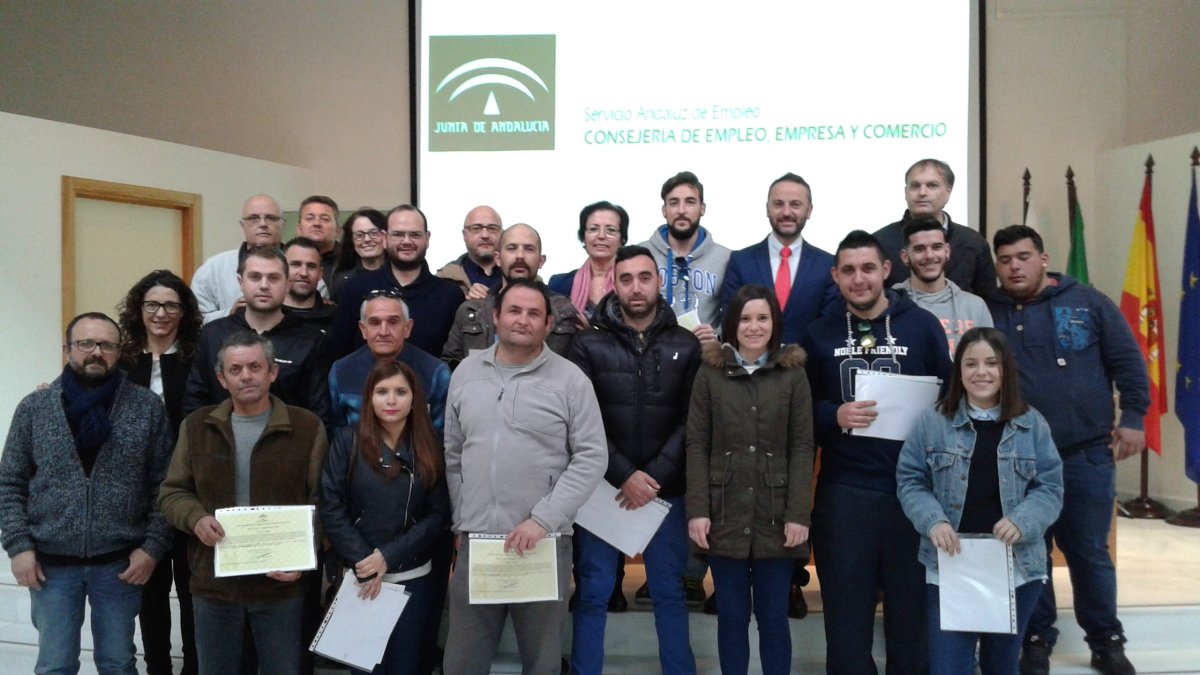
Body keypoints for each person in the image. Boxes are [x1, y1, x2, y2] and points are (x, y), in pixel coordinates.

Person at [986, 225, 1149, 675]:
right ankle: (1036, 640)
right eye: (1005, 260)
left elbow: (1127, 361)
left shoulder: (1088, 303)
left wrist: (1134, 418)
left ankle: (1106, 641)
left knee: (1088, 551)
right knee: (1028, 551)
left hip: (1084, 454)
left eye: (1023, 257)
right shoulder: (987, 310)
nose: (1014, 267)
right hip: (1016, 458)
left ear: (1043, 258)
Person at [801, 230, 952, 674]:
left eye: (868, 268)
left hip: (913, 494)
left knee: (910, 618)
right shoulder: (818, 333)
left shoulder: (922, 326)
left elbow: (950, 400)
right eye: (848, 270)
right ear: (835, 276)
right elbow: (799, 408)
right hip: (845, 493)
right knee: (846, 620)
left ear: (886, 270)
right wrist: (833, 414)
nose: (859, 279)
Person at [442, 279, 607, 675]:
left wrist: (543, 520)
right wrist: (462, 520)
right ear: (495, 316)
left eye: (534, 314)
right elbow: (453, 453)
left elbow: (591, 457)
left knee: (541, 662)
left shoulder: (571, 380)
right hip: (479, 541)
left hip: (542, 542)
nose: (523, 320)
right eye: (514, 311)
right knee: (462, 662)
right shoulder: (466, 373)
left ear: (548, 324)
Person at [0, 312, 174, 675]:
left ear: (119, 351)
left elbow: (165, 484)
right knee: (55, 665)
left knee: (117, 663)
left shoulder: (146, 408)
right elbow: (10, 482)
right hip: (49, 565)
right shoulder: (35, 409)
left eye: (107, 345)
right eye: (86, 343)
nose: (97, 352)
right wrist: (18, 547)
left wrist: (152, 548)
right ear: (67, 350)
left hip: (120, 565)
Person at [897, 327, 1064, 675]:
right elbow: (911, 480)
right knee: (948, 666)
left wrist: (1022, 521)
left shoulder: (1032, 424)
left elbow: (1050, 488)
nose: (981, 372)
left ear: (1006, 369)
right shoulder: (933, 421)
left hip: (1016, 568)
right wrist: (933, 521)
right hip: (951, 565)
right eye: (970, 364)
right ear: (959, 371)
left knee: (1001, 665)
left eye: (991, 362)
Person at [159, 331, 328, 675]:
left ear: (272, 372)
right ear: (221, 379)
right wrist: (196, 519)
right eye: (235, 370)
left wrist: (305, 554)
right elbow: (172, 492)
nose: (246, 376)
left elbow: (323, 502)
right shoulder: (196, 427)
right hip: (214, 585)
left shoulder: (307, 427)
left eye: (255, 366)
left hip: (281, 587)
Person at [567, 245, 700, 675]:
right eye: (626, 279)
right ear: (614, 284)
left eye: (645, 277)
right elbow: (581, 421)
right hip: (603, 490)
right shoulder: (587, 344)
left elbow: (693, 419)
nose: (636, 287)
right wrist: (624, 474)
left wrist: (653, 476)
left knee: (669, 593)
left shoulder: (685, 344)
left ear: (658, 281)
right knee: (593, 593)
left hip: (665, 491)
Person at [686, 285, 814, 675]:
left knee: (774, 617)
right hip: (724, 512)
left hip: (777, 516)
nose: (754, 327)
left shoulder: (793, 375)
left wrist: (798, 514)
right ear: (732, 324)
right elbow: (697, 443)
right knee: (731, 617)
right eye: (745, 318)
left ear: (774, 323)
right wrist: (698, 510)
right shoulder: (710, 373)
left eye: (762, 318)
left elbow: (802, 446)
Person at [319, 360, 451, 675]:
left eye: (400, 392)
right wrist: (364, 561)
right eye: (382, 392)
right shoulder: (347, 441)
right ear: (369, 397)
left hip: (412, 578)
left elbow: (437, 514)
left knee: (407, 666)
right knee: (365, 669)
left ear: (415, 399)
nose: (391, 400)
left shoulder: (429, 444)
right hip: (360, 577)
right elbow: (331, 504)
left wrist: (387, 557)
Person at [117, 270, 203, 675]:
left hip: (191, 490)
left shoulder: (197, 359)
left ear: (184, 312)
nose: (161, 313)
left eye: (170, 305)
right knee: (149, 592)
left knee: (191, 589)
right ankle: (157, 668)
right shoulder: (122, 361)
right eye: (152, 304)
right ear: (139, 309)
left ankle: (194, 667)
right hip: (138, 494)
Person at [183, 245, 329, 425]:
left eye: (273, 278)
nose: (264, 285)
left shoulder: (311, 340)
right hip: (219, 439)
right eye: (255, 277)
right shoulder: (213, 334)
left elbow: (318, 412)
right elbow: (194, 402)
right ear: (241, 282)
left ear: (287, 284)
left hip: (289, 440)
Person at [330, 204, 465, 361]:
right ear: (384, 239)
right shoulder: (356, 288)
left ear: (427, 239)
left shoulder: (449, 295)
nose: (406, 241)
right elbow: (339, 352)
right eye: (398, 234)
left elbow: (455, 357)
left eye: (415, 235)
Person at [721, 172, 839, 346]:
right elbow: (730, 320)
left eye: (795, 205)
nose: (786, 212)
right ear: (767, 209)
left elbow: (829, 325)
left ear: (809, 211)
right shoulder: (741, 261)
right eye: (778, 204)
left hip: (809, 362)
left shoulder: (827, 265)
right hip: (751, 362)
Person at [442, 223, 579, 369]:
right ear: (498, 259)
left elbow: (575, 369)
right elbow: (450, 363)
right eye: (512, 248)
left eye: (529, 249)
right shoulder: (472, 309)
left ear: (541, 261)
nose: (520, 256)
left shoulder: (563, 311)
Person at [329, 291, 451, 435]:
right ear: (363, 329)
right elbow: (336, 432)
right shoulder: (342, 371)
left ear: (407, 328)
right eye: (375, 323)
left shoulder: (436, 373)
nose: (384, 332)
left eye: (393, 322)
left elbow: (442, 437)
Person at [875, 158, 995, 296]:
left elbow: (989, 300)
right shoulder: (880, 243)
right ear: (906, 192)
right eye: (915, 186)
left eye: (932, 185)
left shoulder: (973, 242)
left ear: (948, 192)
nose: (922, 192)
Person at [640, 171, 730, 343]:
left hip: (703, 355)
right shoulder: (641, 254)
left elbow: (737, 314)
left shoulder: (725, 259)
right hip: (651, 352)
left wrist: (717, 336)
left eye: (690, 202)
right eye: (674, 203)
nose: (681, 210)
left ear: (702, 208)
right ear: (664, 210)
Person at [893, 218, 993, 355]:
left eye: (936, 247)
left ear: (947, 251)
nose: (929, 255)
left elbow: (989, 359)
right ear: (905, 256)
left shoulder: (975, 306)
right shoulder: (891, 303)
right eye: (919, 249)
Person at [192, 194, 284, 324]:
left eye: (270, 218)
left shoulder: (299, 267)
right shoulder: (213, 269)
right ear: (242, 225)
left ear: (282, 224)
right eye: (254, 218)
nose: (263, 224)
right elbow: (194, 321)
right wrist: (230, 314)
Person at [548, 201, 629, 321]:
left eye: (611, 230)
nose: (601, 236)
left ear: (622, 239)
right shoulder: (558, 284)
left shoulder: (632, 284)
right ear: (583, 237)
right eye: (593, 229)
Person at [436, 205, 503, 297]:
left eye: (492, 228)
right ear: (464, 235)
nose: (485, 235)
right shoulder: (443, 279)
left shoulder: (518, 275)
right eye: (476, 228)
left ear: (502, 234)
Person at [330, 208, 388, 303]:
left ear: (386, 236)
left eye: (374, 233)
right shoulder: (343, 281)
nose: (367, 239)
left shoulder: (400, 275)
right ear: (351, 241)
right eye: (359, 235)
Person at [283, 237, 337, 333]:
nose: (303, 273)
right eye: (296, 264)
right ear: (281, 269)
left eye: (311, 266)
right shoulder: (264, 314)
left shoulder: (338, 318)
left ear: (320, 274)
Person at [296, 195, 342, 285]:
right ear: (299, 229)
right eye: (310, 218)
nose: (316, 223)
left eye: (325, 219)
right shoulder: (285, 261)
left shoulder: (351, 262)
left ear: (337, 231)